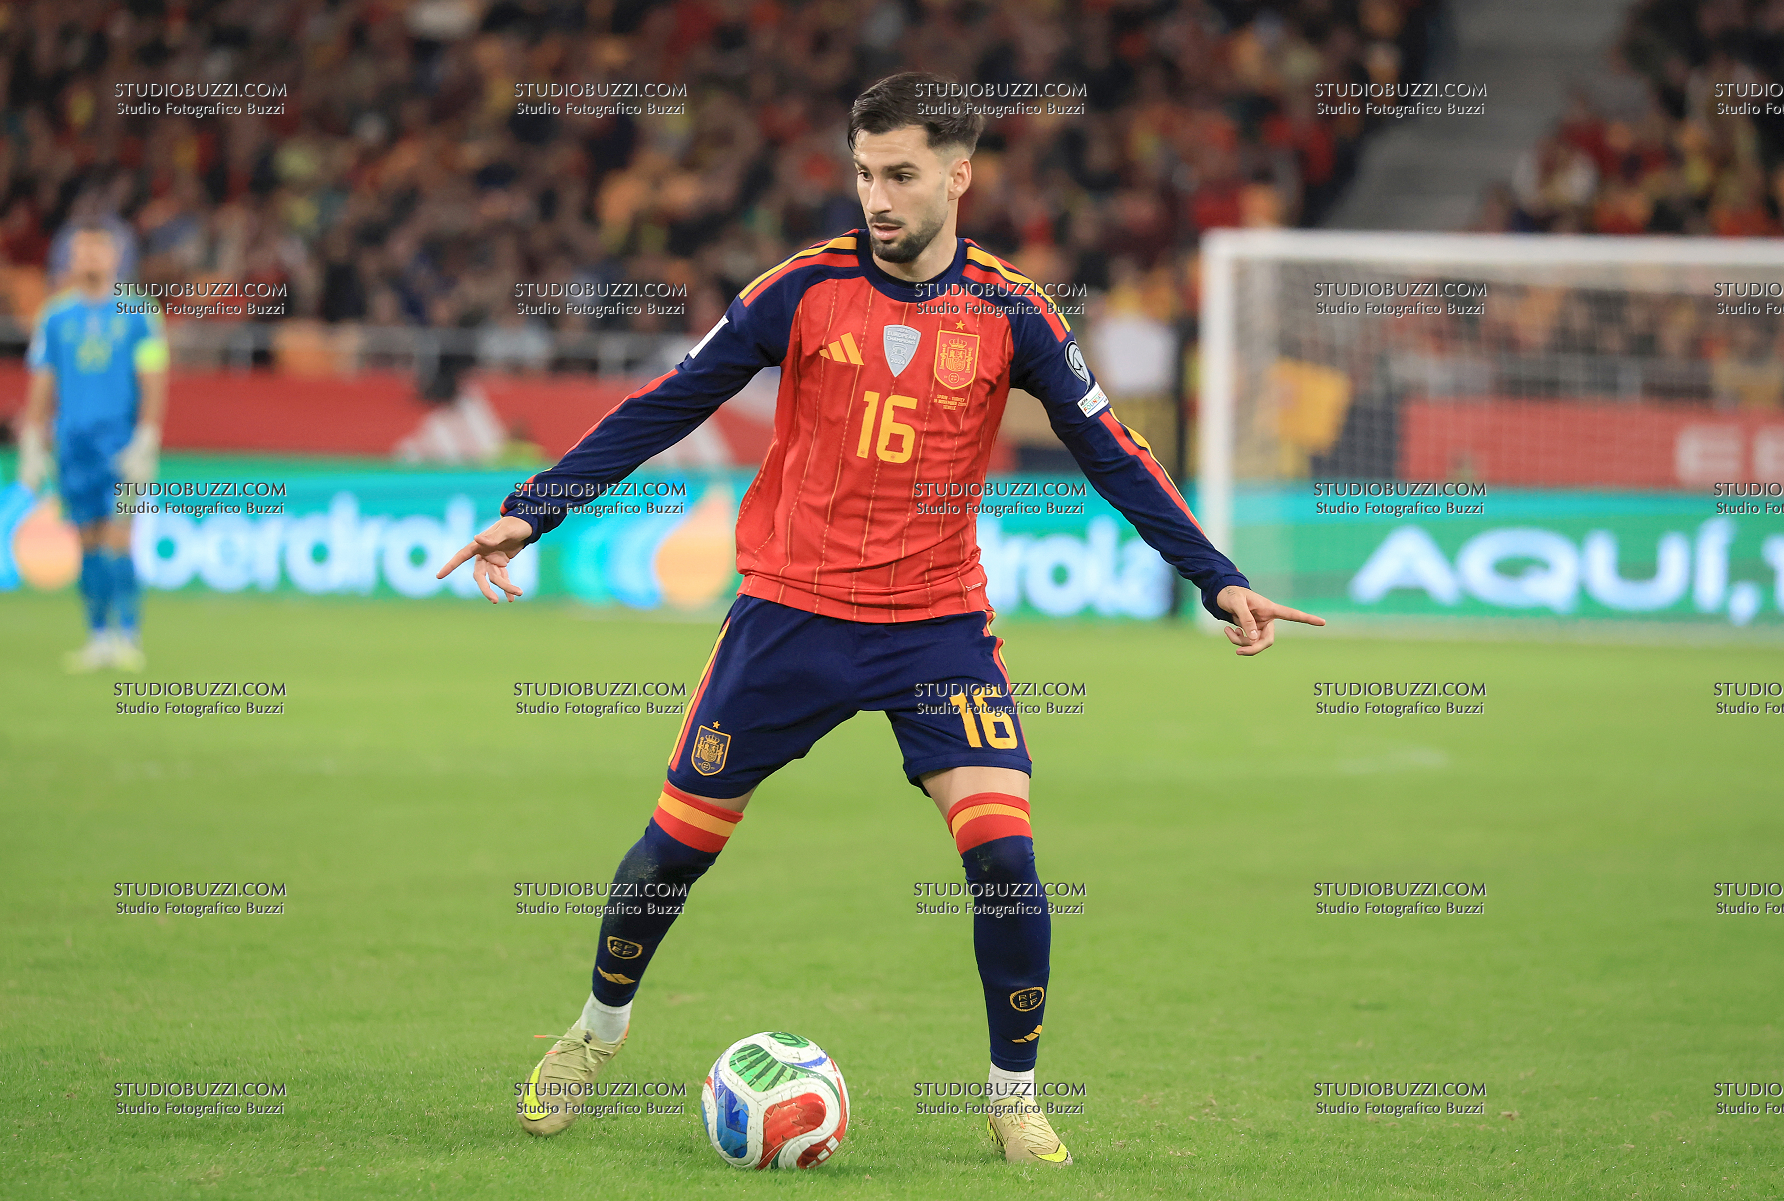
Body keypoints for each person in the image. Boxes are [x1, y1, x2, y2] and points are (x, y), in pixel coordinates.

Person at [438, 71, 1324, 1166]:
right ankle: (595, 1032)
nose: (877, 198)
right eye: (863, 174)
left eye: (900, 175)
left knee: (1006, 862)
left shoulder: (1013, 310)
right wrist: (534, 509)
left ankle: (1013, 1096)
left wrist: (1216, 576)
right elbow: (669, 402)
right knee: (672, 853)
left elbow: (1112, 450)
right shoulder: (800, 289)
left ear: (958, 177)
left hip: (936, 630)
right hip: (788, 616)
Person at [18, 222, 168, 671]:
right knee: (86, 542)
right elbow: (44, 379)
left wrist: (148, 434)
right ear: (71, 258)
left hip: (121, 443)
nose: (90, 259)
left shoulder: (139, 313)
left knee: (119, 539)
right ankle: (97, 637)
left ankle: (129, 635)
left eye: (98, 250)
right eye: (82, 251)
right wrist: (33, 438)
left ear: (115, 257)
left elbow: (153, 376)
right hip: (73, 444)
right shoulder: (56, 316)